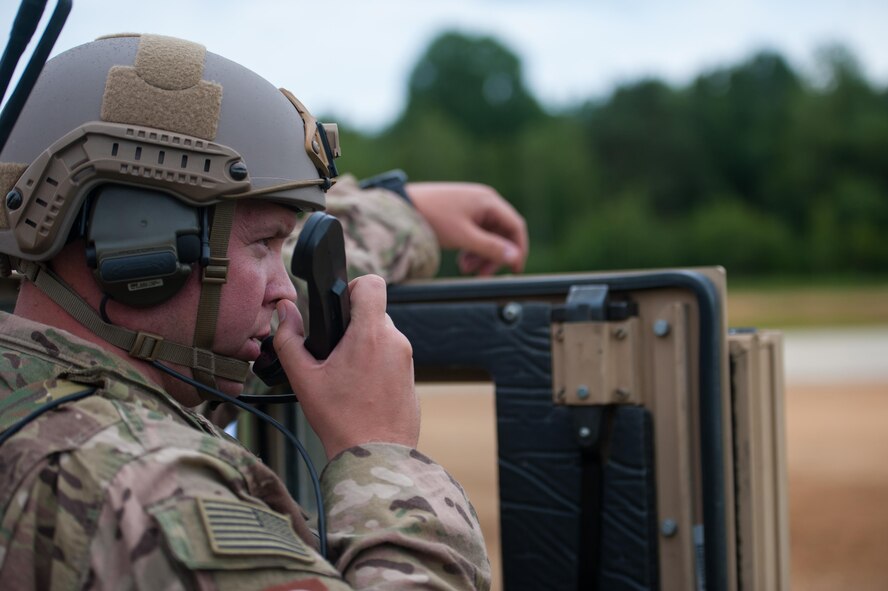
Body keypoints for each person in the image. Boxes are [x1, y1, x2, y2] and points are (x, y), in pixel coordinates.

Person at [0, 33, 493, 589]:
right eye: (265, 246)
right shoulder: (159, 494)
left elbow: (233, 273)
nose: (286, 291)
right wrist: (382, 454)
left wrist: (405, 211)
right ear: (137, 247)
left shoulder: (38, 393)